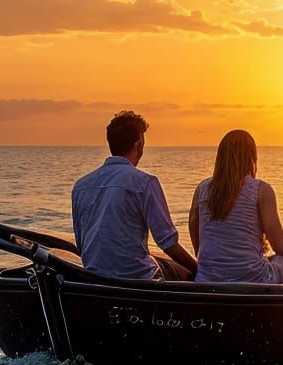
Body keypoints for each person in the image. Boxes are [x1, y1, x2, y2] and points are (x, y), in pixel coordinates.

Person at [70, 110, 197, 281]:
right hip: (137, 278)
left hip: (95, 278)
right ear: (139, 144)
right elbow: (167, 242)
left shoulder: (81, 186)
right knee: (183, 272)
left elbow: (81, 244)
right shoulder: (145, 182)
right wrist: (199, 268)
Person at [189, 129, 283, 284]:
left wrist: (206, 260)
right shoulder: (261, 190)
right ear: (252, 157)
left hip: (207, 279)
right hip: (254, 280)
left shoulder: (202, 188)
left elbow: (193, 227)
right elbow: (280, 248)